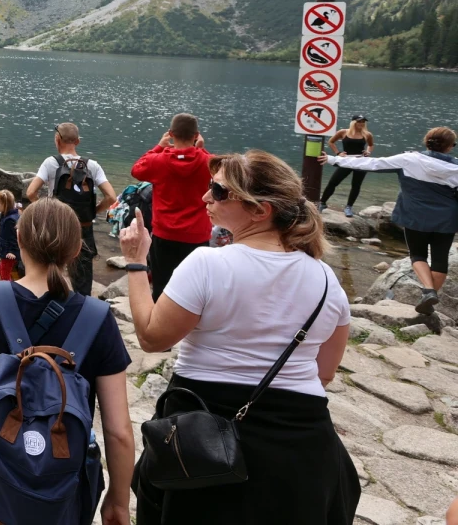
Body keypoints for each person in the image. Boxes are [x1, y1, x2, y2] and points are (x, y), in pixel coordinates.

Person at [124, 150, 358, 525]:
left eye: (218, 191)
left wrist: (137, 262)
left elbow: (152, 337)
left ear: (259, 210)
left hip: (201, 433)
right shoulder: (328, 280)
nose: (205, 198)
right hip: (300, 443)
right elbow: (324, 372)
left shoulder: (208, 263)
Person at [0, 198, 134, 525]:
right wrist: (118, 499)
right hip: (62, 492)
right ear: (76, 250)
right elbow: (118, 431)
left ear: (19, 239)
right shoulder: (99, 318)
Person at [321, 126, 458, 314]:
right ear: (450, 147)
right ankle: (429, 299)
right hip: (447, 219)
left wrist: (332, 159)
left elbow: (372, 164)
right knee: (440, 259)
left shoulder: (409, 159)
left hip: (415, 216)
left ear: (426, 141)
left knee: (418, 255)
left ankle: (428, 290)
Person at [26, 123, 116, 296]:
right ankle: (81, 309)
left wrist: (47, 211)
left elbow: (31, 192)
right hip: (84, 225)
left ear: (57, 139)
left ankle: (50, 302)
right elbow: (111, 197)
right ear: (78, 141)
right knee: (82, 277)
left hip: (57, 225)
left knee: (50, 267)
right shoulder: (92, 165)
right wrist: (94, 211)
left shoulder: (51, 163)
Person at [130, 113, 212, 300]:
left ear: (171, 134)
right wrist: (202, 149)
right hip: (197, 235)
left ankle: (160, 324)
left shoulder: (157, 161)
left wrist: (159, 147)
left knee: (161, 284)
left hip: (164, 234)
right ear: (196, 135)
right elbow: (222, 170)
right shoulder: (208, 162)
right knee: (195, 289)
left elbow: (136, 169)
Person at [320, 115, 375, 217]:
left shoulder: (367, 134)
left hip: (361, 162)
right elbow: (331, 142)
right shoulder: (343, 132)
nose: (361, 123)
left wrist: (368, 151)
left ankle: (349, 207)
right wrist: (338, 153)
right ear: (353, 122)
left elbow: (371, 145)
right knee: (333, 182)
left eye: (363, 122)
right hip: (346, 161)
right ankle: (322, 203)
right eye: (359, 121)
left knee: (356, 185)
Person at [0, 190, 22, 280]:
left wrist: (13, 251)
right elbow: (5, 232)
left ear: (4, 204)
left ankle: (6, 288)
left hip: (8, 252)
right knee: (5, 268)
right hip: (4, 248)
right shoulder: (5, 214)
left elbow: (14, 237)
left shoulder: (10, 220)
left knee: (5, 271)